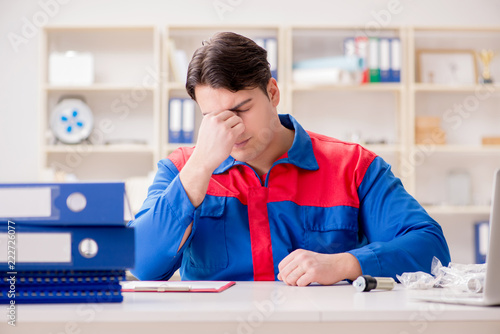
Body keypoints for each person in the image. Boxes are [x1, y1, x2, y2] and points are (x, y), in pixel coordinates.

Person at [128, 32, 450, 286]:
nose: (232, 128)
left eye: (241, 109)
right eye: (214, 117)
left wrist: (345, 264)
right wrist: (199, 169)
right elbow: (142, 266)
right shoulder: (181, 169)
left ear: (273, 93)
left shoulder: (352, 166)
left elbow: (431, 249)